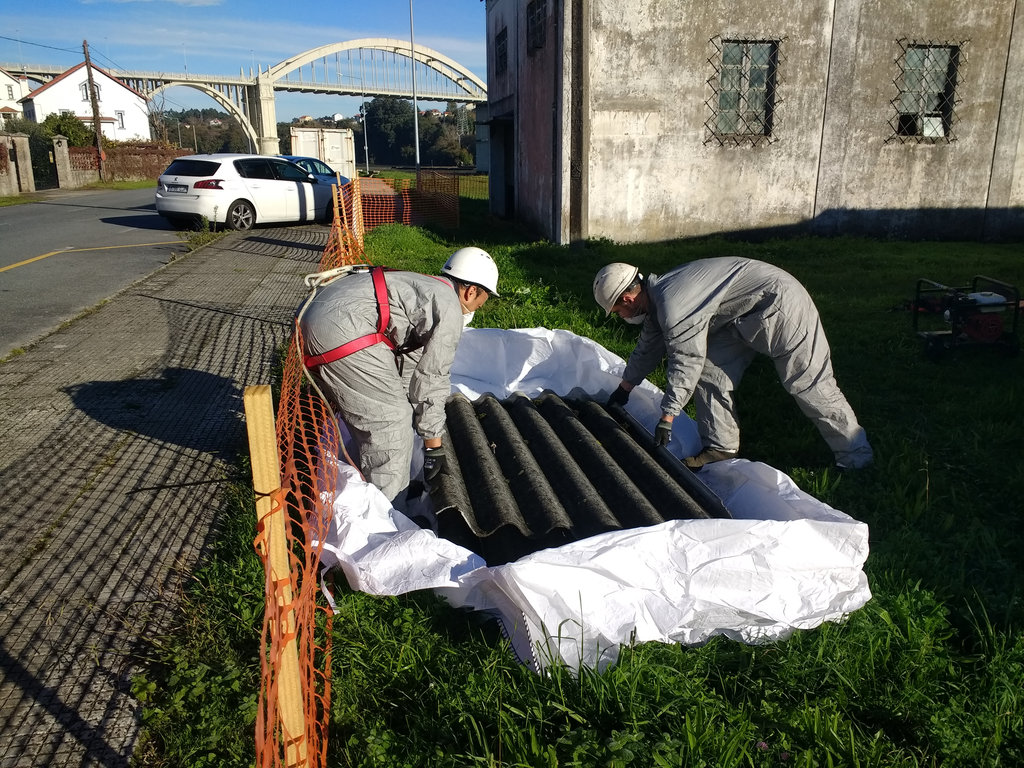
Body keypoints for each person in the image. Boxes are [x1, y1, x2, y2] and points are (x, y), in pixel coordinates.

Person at [593, 258, 873, 470]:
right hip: (743, 318)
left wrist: (667, 418)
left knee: (808, 383)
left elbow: (685, 360)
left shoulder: (673, 304)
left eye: (617, 311)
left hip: (781, 304)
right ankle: (721, 447)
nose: (620, 316)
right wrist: (625, 388)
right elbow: (647, 349)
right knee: (711, 373)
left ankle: (856, 458)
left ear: (627, 299)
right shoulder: (657, 300)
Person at [298, 247, 500, 504]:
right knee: (391, 422)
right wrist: (434, 447)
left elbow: (410, 369)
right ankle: (389, 513)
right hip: (341, 327)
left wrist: (418, 415)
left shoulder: (426, 290)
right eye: (482, 302)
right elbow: (434, 377)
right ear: (471, 291)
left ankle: (366, 484)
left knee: (381, 414)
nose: (478, 309)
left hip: (322, 314)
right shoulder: (449, 307)